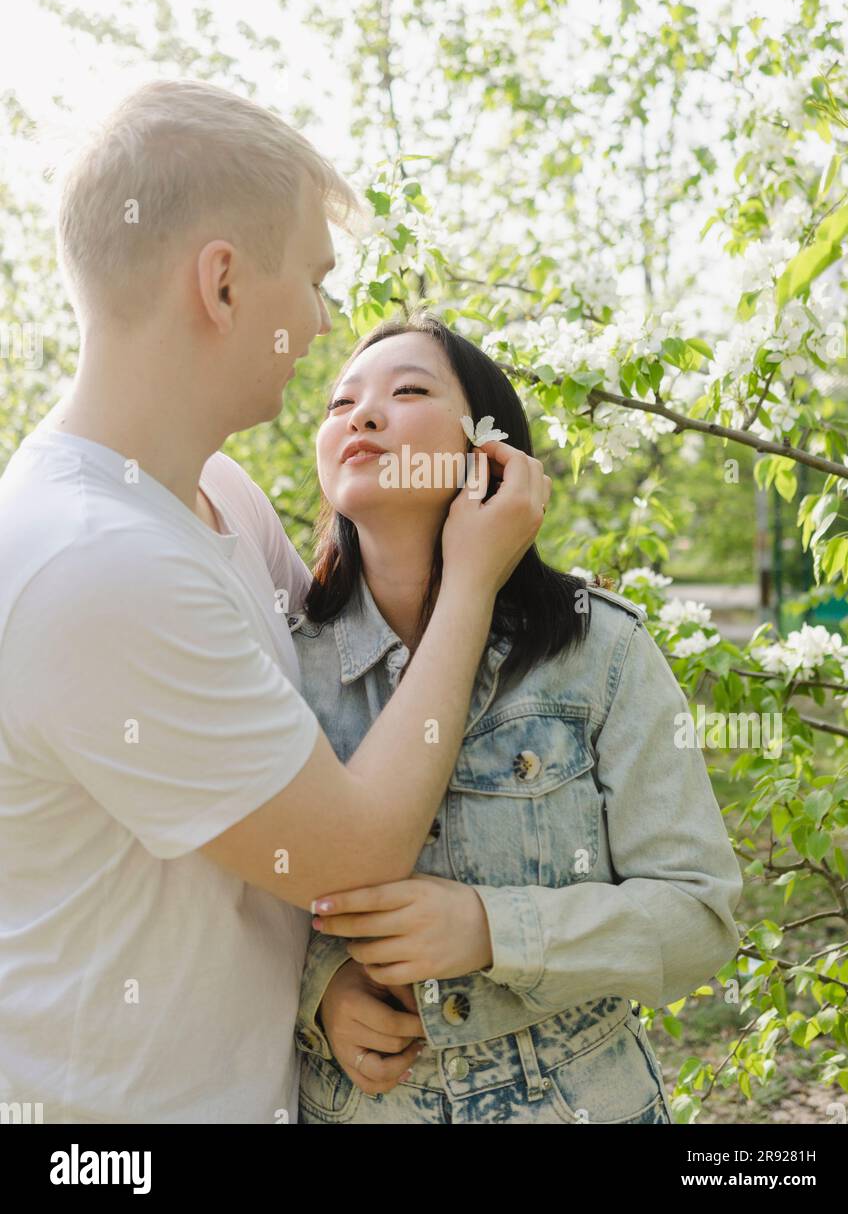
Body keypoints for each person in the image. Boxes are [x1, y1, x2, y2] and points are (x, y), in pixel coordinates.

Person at [0, 79, 550, 1124]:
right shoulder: (91, 564)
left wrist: (541, 604)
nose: (323, 321)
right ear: (220, 285)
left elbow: (345, 681)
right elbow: (349, 848)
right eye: (313, 278)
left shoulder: (216, 500)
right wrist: (477, 578)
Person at [288, 312, 744, 1124]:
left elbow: (699, 918)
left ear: (486, 448)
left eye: (408, 390)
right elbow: (228, 910)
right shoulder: (278, 662)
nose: (359, 414)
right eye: (338, 403)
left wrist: (493, 930)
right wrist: (318, 998)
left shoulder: (598, 648)